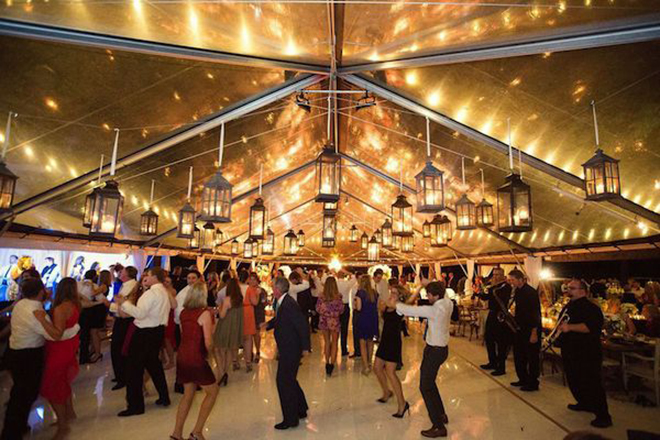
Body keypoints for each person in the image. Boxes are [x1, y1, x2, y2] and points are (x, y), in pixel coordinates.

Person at [0, 278, 79, 440]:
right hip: (29, 355)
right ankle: (13, 432)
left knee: (30, 391)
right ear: (42, 291)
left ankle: (19, 427)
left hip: (20, 352)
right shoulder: (37, 311)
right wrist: (75, 329)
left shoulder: (21, 304)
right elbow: (55, 334)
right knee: (26, 393)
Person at [396, 281, 453, 439]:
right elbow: (444, 294)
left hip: (435, 351)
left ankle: (438, 427)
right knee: (430, 383)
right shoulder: (447, 302)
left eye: (428, 294)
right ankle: (441, 414)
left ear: (436, 295)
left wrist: (396, 304)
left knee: (425, 386)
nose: (426, 297)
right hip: (439, 349)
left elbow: (411, 309)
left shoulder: (435, 309)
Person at [116, 267, 171, 417]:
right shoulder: (163, 292)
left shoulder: (151, 293)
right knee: (154, 365)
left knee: (134, 369)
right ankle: (164, 397)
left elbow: (139, 314)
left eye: (149, 274)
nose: (146, 276)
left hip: (144, 333)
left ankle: (135, 406)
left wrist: (124, 303)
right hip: (157, 332)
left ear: (155, 277)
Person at [557, 279, 612, 428]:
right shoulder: (570, 305)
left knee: (591, 382)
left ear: (583, 291)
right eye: (568, 288)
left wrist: (570, 327)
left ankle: (603, 416)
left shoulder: (591, 308)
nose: (568, 290)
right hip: (570, 349)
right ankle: (584, 403)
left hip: (586, 351)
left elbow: (591, 327)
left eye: (572, 288)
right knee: (574, 379)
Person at [171, 281, 218, 440]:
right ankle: (197, 431)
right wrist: (210, 355)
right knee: (212, 392)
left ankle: (177, 433)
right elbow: (208, 340)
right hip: (196, 357)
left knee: (188, 393)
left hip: (183, 355)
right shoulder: (204, 313)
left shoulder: (184, 312)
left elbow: (185, 334)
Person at [35, 278, 81, 440]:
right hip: (68, 345)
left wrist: (41, 319)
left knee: (51, 385)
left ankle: (63, 425)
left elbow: (57, 334)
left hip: (59, 348)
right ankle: (69, 413)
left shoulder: (61, 308)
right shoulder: (74, 304)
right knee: (61, 381)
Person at [262, 277, 311, 430]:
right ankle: (301, 409)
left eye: (273, 287)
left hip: (291, 348)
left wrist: (305, 347)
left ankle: (291, 419)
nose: (271, 289)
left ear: (277, 289)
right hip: (287, 346)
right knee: (290, 379)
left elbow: (302, 325)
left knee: (283, 382)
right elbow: (280, 319)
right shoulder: (283, 302)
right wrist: (268, 324)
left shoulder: (289, 304)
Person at [374, 283, 407, 418]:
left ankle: (402, 403)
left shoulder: (399, 307)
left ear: (399, 296)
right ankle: (386, 392)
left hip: (393, 342)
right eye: (391, 292)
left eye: (394, 293)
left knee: (390, 372)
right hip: (384, 340)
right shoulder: (388, 305)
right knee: (377, 367)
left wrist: (418, 289)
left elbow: (408, 302)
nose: (391, 294)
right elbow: (382, 314)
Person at [509, 269, 542, 392]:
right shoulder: (517, 291)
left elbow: (536, 313)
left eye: (512, 280)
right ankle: (522, 378)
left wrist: (534, 332)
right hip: (520, 328)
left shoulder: (531, 292)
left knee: (532, 357)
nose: (511, 282)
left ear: (520, 279)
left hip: (530, 329)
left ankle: (533, 383)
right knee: (519, 355)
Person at [478, 267, 514, 376]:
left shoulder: (506, 286)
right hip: (492, 314)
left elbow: (499, 297)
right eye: (494, 274)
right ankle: (492, 362)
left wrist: (491, 289)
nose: (495, 277)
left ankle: (501, 367)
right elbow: (486, 297)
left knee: (501, 342)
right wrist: (479, 293)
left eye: (498, 274)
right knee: (489, 339)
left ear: (503, 276)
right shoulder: (493, 286)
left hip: (501, 316)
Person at [110, 266, 138, 391]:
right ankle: (120, 375)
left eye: (122, 272)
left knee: (119, 347)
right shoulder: (125, 284)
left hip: (125, 320)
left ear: (127, 275)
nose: (120, 273)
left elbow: (125, 304)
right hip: (120, 318)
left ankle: (122, 377)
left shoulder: (132, 286)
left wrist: (114, 306)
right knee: (117, 347)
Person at [213, 278, 243, 386]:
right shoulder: (240, 299)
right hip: (235, 326)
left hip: (225, 325)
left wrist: (218, 310)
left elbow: (222, 315)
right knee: (230, 350)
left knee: (218, 349)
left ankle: (221, 373)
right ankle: (225, 372)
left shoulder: (227, 299)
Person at [78, 269, 108, 364]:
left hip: (94, 310)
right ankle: (91, 352)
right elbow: (98, 298)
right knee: (90, 332)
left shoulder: (100, 286)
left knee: (91, 332)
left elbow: (93, 294)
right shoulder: (96, 285)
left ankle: (94, 353)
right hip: (93, 309)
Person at [316, 276, 344, 376]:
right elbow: (341, 310)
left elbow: (318, 309)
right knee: (335, 343)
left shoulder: (321, 296)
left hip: (324, 320)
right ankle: (332, 364)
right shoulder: (338, 297)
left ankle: (327, 362)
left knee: (327, 342)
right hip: (334, 321)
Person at [355, 274, 379, 375]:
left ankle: (365, 367)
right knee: (370, 341)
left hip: (363, 318)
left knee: (362, 342)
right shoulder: (374, 293)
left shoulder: (360, 293)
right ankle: (369, 363)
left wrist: (355, 304)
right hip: (373, 319)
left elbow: (359, 308)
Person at [335, 270, 357, 357]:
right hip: (345, 306)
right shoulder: (347, 283)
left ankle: (335, 348)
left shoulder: (335, 284)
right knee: (344, 329)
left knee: (335, 329)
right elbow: (354, 278)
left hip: (336, 307)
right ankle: (343, 349)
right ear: (344, 276)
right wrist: (348, 272)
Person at [242, 272, 260, 372]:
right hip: (248, 311)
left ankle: (237, 360)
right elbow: (255, 302)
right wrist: (257, 295)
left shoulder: (240, 288)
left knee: (244, 337)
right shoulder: (250, 289)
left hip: (240, 311)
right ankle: (248, 361)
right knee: (248, 337)